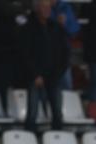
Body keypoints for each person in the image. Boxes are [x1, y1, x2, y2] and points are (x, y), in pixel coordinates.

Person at [19, 0, 69, 132]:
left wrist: (60, 72)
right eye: (43, 7)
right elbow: (24, 54)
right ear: (36, 9)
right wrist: (35, 74)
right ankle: (30, 140)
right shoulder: (28, 28)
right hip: (35, 76)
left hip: (54, 75)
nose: (47, 9)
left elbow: (65, 52)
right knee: (32, 112)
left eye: (48, 7)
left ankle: (58, 138)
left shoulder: (57, 28)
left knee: (57, 112)